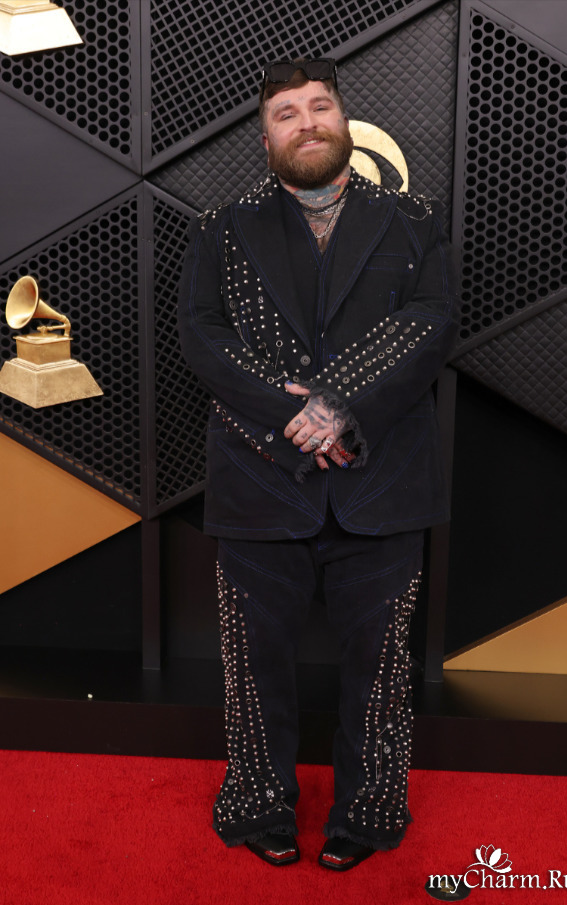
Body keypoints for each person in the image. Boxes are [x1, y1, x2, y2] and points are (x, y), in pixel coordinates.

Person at [178, 57, 460, 871]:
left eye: (319, 106)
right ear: (265, 138)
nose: (306, 122)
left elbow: (432, 322)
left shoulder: (413, 220)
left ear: (344, 120)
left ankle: (369, 810)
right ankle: (256, 801)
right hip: (256, 482)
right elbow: (203, 335)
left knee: (381, 671)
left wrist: (340, 404)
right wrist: (297, 417)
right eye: (286, 113)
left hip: (384, 486)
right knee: (252, 666)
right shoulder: (221, 228)